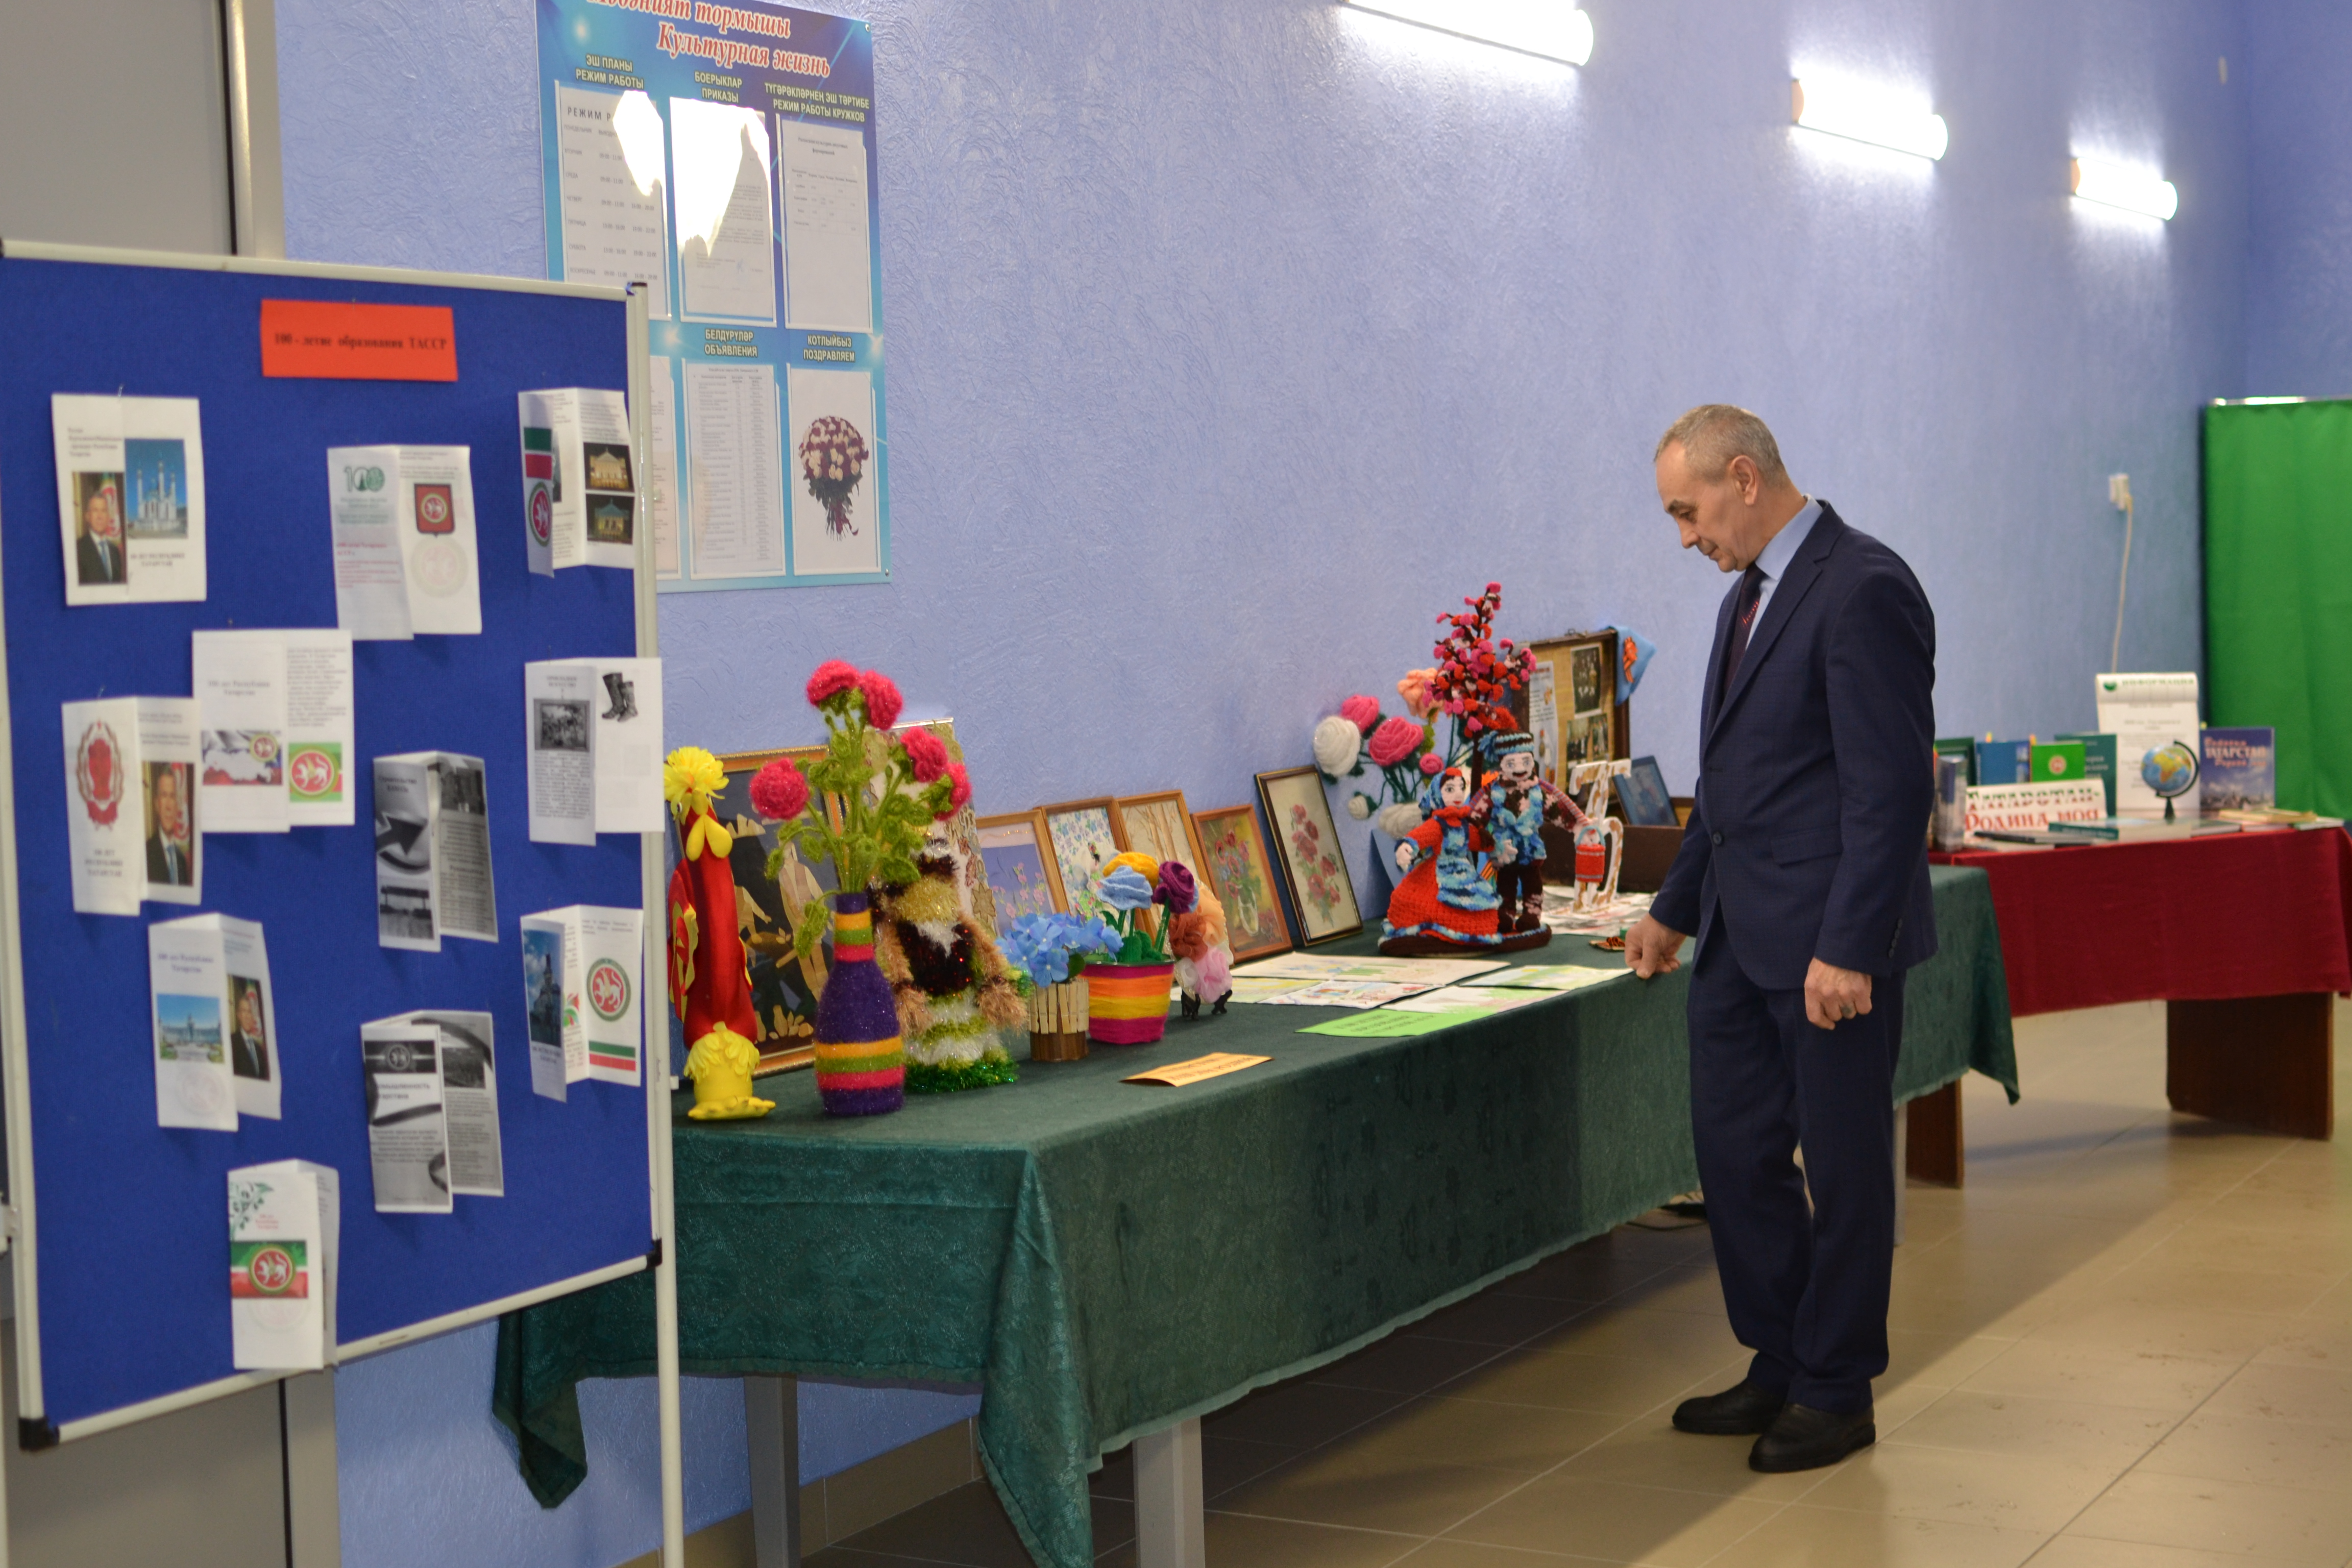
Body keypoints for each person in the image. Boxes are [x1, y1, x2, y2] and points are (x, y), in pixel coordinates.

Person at [1624, 405, 1935, 1474]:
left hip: (1827, 949)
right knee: (1733, 1155)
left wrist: (1849, 946)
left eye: (1688, 511)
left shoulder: (1864, 587)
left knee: (1843, 1171)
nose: (1684, 537)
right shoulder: (1745, 597)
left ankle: (1836, 1388)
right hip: (1735, 936)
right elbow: (1728, 786)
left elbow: (1888, 792)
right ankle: (1782, 1355)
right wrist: (1672, 908)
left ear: (1743, 478)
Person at [146, 765, 194, 887]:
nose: (168, 806)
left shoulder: (181, 859)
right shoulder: (145, 854)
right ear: (157, 804)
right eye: (164, 796)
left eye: (172, 797)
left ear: (177, 806)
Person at [77, 483, 126, 586]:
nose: (100, 516)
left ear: (108, 517)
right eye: (95, 510)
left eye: (104, 511)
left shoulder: (115, 551)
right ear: (88, 516)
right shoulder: (78, 549)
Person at [229, 981, 270, 1082]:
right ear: (239, 1015)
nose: (247, 1016)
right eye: (244, 1011)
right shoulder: (231, 1043)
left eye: (250, 1012)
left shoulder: (259, 1049)